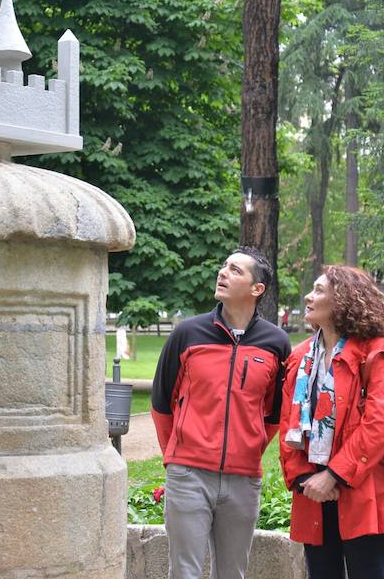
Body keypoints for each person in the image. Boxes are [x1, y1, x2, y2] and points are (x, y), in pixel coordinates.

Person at [151, 246, 290, 579]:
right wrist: (179, 457)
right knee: (185, 572)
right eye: (224, 266)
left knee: (233, 573)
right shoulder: (187, 333)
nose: (223, 272)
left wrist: (249, 447)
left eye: (235, 270)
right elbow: (160, 405)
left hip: (243, 480)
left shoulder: (276, 343)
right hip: (189, 475)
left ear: (257, 289)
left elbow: (273, 415)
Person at [279, 266, 384, 579]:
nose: (309, 296)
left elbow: (380, 424)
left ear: (344, 301)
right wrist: (306, 478)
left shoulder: (373, 353)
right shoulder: (302, 356)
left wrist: (333, 476)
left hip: (361, 489)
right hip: (312, 491)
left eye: (319, 291)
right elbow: (287, 423)